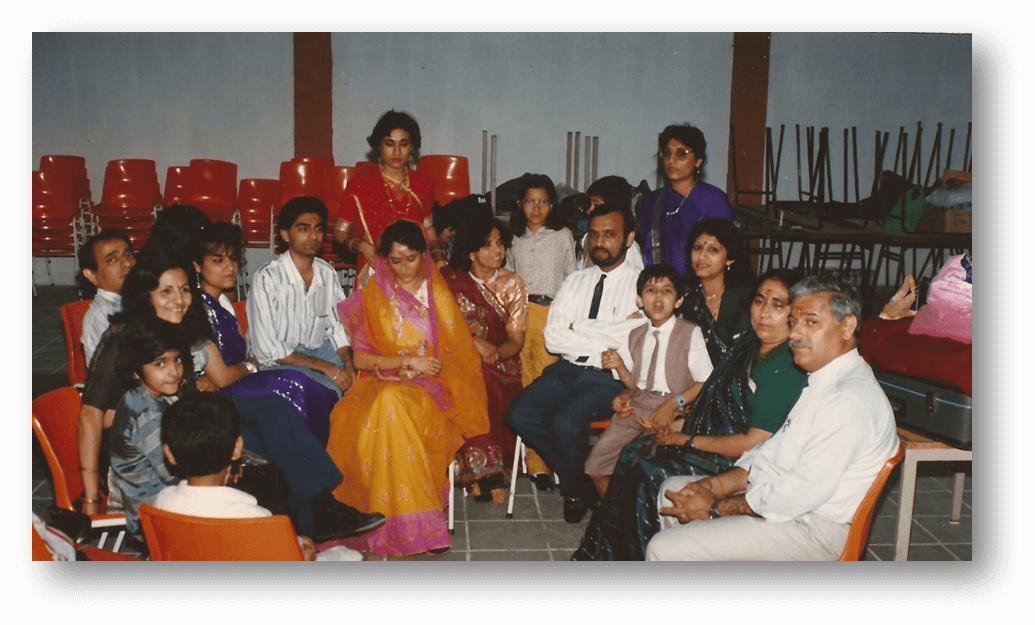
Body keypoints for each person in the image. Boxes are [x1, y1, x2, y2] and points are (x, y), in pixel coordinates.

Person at [79, 249, 385, 542]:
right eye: (166, 292)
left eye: (185, 290)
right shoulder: (125, 340)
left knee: (274, 410)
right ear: (145, 297)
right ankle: (301, 525)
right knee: (265, 459)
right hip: (167, 435)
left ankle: (321, 507)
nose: (179, 300)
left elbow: (219, 373)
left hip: (195, 414)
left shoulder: (180, 326)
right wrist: (91, 496)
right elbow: (91, 416)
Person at [645, 277, 899, 560]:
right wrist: (715, 486)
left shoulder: (848, 400)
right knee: (674, 491)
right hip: (788, 505)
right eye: (793, 322)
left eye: (811, 323)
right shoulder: (823, 380)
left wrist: (715, 508)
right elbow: (771, 451)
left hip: (813, 530)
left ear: (848, 326)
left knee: (662, 548)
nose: (796, 334)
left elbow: (798, 493)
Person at [571, 268, 807, 560]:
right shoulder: (749, 344)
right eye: (759, 301)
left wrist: (686, 439)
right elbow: (711, 398)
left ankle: (638, 552)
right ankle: (614, 550)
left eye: (777, 304)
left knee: (648, 469)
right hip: (708, 435)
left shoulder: (783, 367)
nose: (764, 312)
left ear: (797, 312)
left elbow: (751, 445)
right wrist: (680, 422)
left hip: (739, 459)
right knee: (633, 453)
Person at [324, 220, 489, 556]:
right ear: (385, 259)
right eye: (395, 261)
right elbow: (361, 358)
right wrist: (402, 364)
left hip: (431, 386)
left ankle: (406, 522)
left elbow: (455, 360)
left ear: (423, 256)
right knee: (377, 410)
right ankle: (399, 522)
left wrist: (419, 369)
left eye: (411, 259)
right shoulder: (374, 292)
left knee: (390, 408)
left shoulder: (438, 294)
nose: (404, 269)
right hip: (382, 381)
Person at [504, 202, 643, 523]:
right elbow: (554, 339)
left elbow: (633, 339)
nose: (599, 242)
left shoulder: (641, 284)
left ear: (629, 238)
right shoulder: (575, 282)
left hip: (610, 376)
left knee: (565, 424)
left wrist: (579, 327)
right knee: (518, 415)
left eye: (610, 235)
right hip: (567, 368)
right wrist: (610, 330)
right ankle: (580, 479)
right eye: (593, 235)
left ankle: (575, 490)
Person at [155, 392, 363, 561]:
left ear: (170, 454)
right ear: (237, 448)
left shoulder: (160, 504)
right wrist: (305, 553)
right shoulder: (256, 518)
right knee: (353, 556)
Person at [192, 222, 339, 443]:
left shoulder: (222, 301)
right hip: (210, 394)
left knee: (307, 384)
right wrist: (248, 367)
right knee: (295, 386)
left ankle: (320, 456)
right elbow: (224, 375)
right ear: (197, 266)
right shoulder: (196, 307)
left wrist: (238, 369)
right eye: (218, 261)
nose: (230, 268)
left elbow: (235, 362)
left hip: (234, 380)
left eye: (233, 259)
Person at [584, 263, 712, 499]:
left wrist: (672, 405)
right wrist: (620, 368)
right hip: (638, 406)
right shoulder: (635, 335)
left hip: (675, 409)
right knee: (596, 465)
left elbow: (705, 381)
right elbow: (634, 384)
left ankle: (642, 518)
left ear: (679, 301)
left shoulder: (689, 332)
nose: (659, 297)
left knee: (642, 469)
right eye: (651, 290)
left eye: (667, 290)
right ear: (639, 300)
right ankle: (615, 518)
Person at [440, 216, 528, 502]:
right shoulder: (451, 282)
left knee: (482, 378)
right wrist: (473, 343)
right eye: (487, 244)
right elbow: (440, 330)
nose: (497, 251)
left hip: (501, 362)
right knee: (464, 378)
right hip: (460, 360)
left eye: (500, 243)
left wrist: (492, 351)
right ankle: (479, 472)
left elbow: (515, 341)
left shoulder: (513, 283)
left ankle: (489, 470)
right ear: (471, 252)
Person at [504, 174, 578, 487]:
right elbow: (507, 275)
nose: (537, 208)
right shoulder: (514, 236)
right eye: (531, 201)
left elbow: (572, 277)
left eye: (543, 201)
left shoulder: (562, 235)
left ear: (553, 204)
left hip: (553, 313)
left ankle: (553, 458)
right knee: (524, 383)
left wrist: (570, 318)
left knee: (547, 385)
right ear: (520, 204)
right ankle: (535, 465)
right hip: (521, 313)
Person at [247, 197, 356, 400]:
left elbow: (336, 328)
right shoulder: (266, 278)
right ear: (286, 235)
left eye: (318, 229)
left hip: (317, 351)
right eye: (303, 229)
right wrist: (328, 368)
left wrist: (349, 366)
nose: (313, 236)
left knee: (359, 377)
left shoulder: (327, 273)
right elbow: (270, 350)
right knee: (326, 388)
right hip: (276, 362)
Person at [107, 318, 190, 536]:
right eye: (160, 364)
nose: (174, 371)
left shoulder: (140, 396)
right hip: (151, 516)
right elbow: (173, 474)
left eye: (177, 360)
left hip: (159, 498)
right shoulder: (147, 416)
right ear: (135, 371)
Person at [333, 109, 435, 280]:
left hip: (414, 271)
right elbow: (339, 233)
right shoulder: (360, 185)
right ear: (379, 147)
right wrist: (362, 246)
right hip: (373, 268)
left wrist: (438, 257)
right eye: (389, 143)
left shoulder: (423, 185)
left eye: (403, 144)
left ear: (412, 147)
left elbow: (429, 230)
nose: (396, 151)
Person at [637, 124, 733, 274]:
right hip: (661, 287)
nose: (671, 160)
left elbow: (721, 252)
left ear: (698, 161)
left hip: (701, 284)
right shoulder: (651, 201)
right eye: (667, 153)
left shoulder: (714, 201)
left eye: (681, 154)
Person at [679, 217, 754, 365]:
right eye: (697, 247)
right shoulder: (687, 302)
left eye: (713, 249)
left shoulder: (745, 300)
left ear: (730, 259)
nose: (701, 256)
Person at [77, 229, 136, 363]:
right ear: (91, 275)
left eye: (129, 255)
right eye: (112, 260)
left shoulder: (140, 299)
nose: (127, 264)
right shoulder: (101, 317)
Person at [575, 175, 644, 272]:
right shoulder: (588, 239)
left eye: (596, 205)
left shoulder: (629, 248)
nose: (589, 210)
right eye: (590, 204)